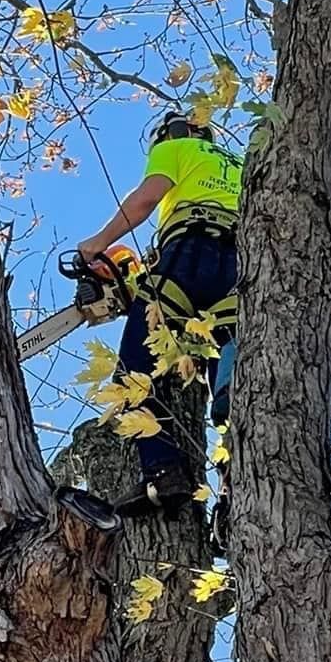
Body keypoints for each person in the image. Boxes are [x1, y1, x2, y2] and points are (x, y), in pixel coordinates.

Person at [75, 113, 242, 512]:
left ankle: (164, 472)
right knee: (231, 355)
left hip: (187, 252)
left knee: (132, 372)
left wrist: (97, 244)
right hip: (241, 264)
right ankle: (234, 492)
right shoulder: (241, 165)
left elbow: (148, 197)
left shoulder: (175, 147)